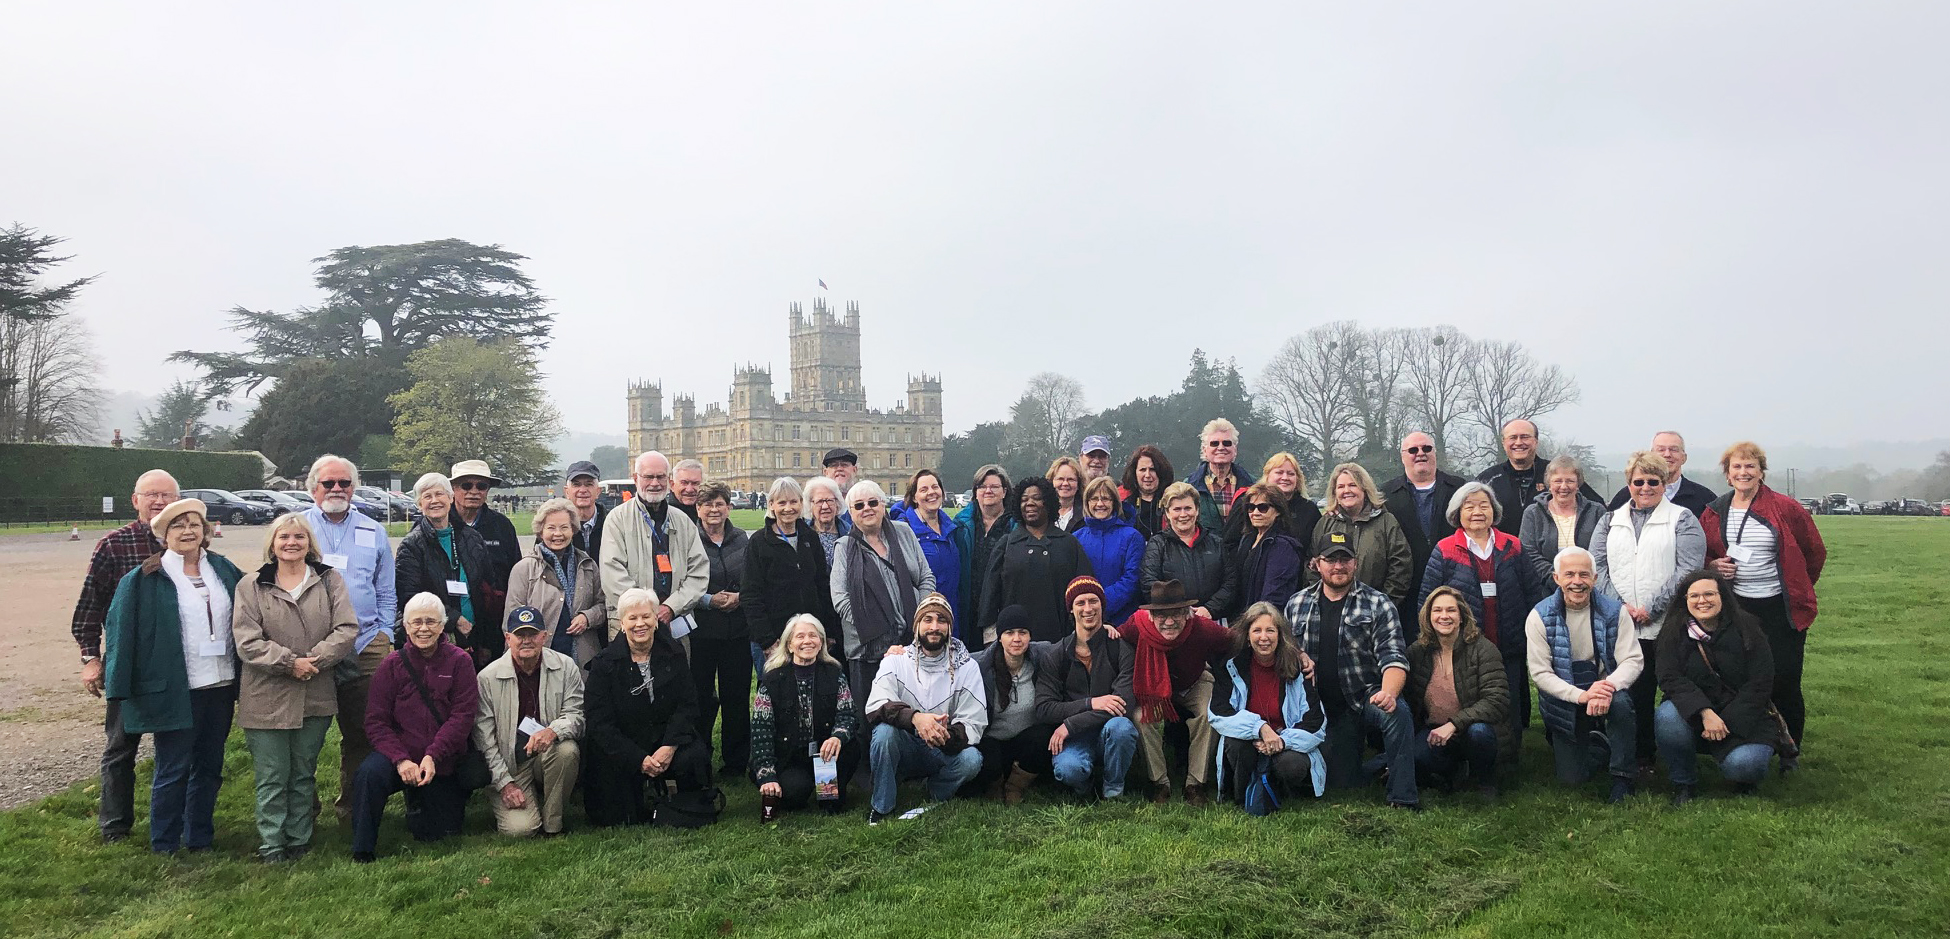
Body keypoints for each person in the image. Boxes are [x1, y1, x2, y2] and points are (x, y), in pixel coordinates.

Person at [103, 498, 246, 854]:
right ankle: (165, 841)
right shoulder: (142, 578)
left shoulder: (224, 570)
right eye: (178, 525)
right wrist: (119, 689)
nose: (187, 531)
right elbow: (121, 636)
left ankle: (199, 836)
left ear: (206, 531)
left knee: (210, 766)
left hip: (221, 683)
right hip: (176, 688)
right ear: (163, 534)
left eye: (194, 524)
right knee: (173, 767)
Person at [232, 513, 358, 861]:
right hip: (266, 695)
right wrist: (290, 663)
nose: (291, 543)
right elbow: (247, 641)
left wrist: (314, 661)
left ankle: (299, 839)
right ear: (272, 544)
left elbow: (346, 628)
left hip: (315, 692)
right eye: (284, 537)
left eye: (299, 537)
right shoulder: (251, 586)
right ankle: (272, 843)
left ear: (309, 543)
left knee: (303, 773)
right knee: (272, 776)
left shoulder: (330, 580)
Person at [70, 468, 177, 843]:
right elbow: (87, 611)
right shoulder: (113, 546)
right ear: (136, 501)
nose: (159, 502)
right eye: (151, 495)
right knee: (120, 748)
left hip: (176, 667)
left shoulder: (190, 547)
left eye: (166, 495)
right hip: (126, 665)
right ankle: (114, 825)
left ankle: (169, 824)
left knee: (174, 750)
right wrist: (91, 659)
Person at [1700, 441, 1825, 757]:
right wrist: (1713, 567)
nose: (1743, 472)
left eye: (1750, 466)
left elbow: (1814, 552)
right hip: (1738, 608)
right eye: (1737, 467)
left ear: (1761, 472)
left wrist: (1798, 585)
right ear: (1728, 475)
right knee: (1743, 679)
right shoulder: (1715, 511)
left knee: (1784, 680)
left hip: (1780, 609)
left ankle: (1790, 749)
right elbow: (1704, 554)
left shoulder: (1785, 508)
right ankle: (1751, 741)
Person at [1283, 540, 1418, 809]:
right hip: (1317, 706)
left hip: (1363, 698)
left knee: (1397, 713)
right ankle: (1384, 762)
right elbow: (1285, 652)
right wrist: (1298, 656)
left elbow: (1393, 656)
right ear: (1317, 564)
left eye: (1345, 560)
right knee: (1343, 781)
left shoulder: (1378, 603)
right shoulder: (1296, 603)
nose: (1338, 566)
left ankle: (1403, 797)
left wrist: (1389, 693)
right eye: (1331, 560)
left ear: (1355, 563)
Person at [298, 455, 397, 822]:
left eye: (344, 483)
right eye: (329, 484)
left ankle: (354, 810)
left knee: (362, 733)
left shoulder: (374, 530)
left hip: (366, 645)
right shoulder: (297, 530)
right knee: (305, 736)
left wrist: (385, 632)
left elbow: (386, 589)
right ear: (313, 488)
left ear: (353, 488)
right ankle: (301, 813)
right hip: (313, 648)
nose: (337, 489)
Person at [1594, 450, 1706, 773]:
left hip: (1668, 626)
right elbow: (1597, 567)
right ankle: (1639, 757)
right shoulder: (1608, 521)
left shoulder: (1683, 519)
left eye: (1653, 481)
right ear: (1628, 483)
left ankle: (1680, 759)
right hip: (1623, 626)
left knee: (1673, 695)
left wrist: (1652, 608)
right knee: (1633, 697)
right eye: (1637, 481)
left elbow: (1688, 569)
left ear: (1666, 481)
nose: (1645, 487)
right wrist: (1622, 608)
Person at [350, 592, 481, 861]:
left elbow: (462, 717)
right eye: (416, 622)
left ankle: (419, 799)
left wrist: (433, 755)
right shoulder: (391, 665)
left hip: (441, 758)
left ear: (443, 625)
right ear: (406, 626)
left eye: (431, 621)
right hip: (400, 754)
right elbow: (375, 721)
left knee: (440, 832)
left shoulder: (460, 662)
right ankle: (362, 848)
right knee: (368, 774)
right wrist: (400, 761)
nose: (424, 628)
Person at [1415, 481, 1537, 747]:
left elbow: (1532, 592)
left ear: (1494, 510)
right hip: (1465, 646)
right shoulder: (1445, 549)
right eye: (1469, 506)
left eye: (1484, 505)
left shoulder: (1513, 546)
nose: (1477, 511)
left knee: (1510, 699)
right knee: (1472, 701)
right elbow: (1427, 599)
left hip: (1510, 640)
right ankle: (1468, 754)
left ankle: (1509, 757)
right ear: (1457, 513)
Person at [583, 588, 711, 826]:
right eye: (632, 618)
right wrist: (639, 759)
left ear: (655, 620)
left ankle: (683, 799)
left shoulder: (674, 652)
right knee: (618, 816)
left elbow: (688, 704)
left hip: (665, 738)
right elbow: (600, 723)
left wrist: (669, 747)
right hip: (625, 744)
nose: (639, 624)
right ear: (622, 623)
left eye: (646, 616)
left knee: (694, 756)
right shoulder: (604, 665)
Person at [1656, 572, 1784, 805]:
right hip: (1695, 713)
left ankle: (1743, 778)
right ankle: (1683, 783)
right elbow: (1669, 677)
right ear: (1685, 599)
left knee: (1746, 766)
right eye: (1694, 595)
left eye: (1709, 594)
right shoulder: (1673, 631)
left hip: (1745, 716)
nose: (1702, 601)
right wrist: (1705, 713)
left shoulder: (1748, 628)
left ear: (1722, 596)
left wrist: (1726, 722)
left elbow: (1761, 682)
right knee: (1666, 716)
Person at [1527, 547, 1642, 803]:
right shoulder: (1538, 616)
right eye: (1569, 574)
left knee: (1622, 705)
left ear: (1595, 578)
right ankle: (1596, 742)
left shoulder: (1615, 612)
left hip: (1606, 691)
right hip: (1566, 696)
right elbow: (1540, 673)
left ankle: (1623, 777)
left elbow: (1633, 659)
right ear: (1556, 578)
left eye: (1583, 574)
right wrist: (1581, 696)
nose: (1577, 582)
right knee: (1572, 779)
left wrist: (1607, 687)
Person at [862, 594, 988, 824]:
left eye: (941, 620)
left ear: (950, 627)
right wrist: (917, 720)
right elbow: (876, 705)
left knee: (972, 759)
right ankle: (882, 806)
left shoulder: (967, 667)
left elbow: (974, 722)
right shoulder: (896, 661)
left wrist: (941, 734)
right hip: (905, 744)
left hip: (942, 747)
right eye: (927, 619)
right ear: (917, 626)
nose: (934, 626)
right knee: (883, 734)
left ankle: (934, 793)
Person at [1118, 580, 1231, 806]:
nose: (1169, 622)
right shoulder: (1137, 625)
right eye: (1161, 615)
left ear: (1187, 613)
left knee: (1208, 714)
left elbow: (1234, 638)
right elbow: (1116, 637)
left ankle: (1195, 783)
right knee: (1141, 718)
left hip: (1194, 681)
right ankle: (1159, 783)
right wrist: (1108, 629)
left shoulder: (1201, 627)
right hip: (1154, 687)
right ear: (1150, 616)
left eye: (1176, 614)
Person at [473, 606, 584, 837]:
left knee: (567, 750)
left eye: (532, 634)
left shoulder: (566, 667)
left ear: (544, 636)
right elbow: (484, 739)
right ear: (507, 638)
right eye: (519, 635)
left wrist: (553, 731)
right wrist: (504, 783)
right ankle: (528, 809)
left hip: (547, 753)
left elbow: (577, 716)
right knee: (521, 829)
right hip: (510, 763)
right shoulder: (486, 678)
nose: (526, 641)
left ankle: (553, 825)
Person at [1208, 602, 1328, 808]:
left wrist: (1280, 741)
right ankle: (1242, 796)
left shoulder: (1298, 668)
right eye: (1257, 630)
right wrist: (1260, 728)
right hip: (1250, 739)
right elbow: (1218, 713)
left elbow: (1316, 722)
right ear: (1247, 635)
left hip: (1286, 739)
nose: (1264, 637)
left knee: (1290, 764)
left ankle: (1280, 793)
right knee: (1236, 745)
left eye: (1270, 630)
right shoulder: (1231, 667)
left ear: (1280, 635)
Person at [1034, 578, 1138, 800]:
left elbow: (1124, 705)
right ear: (1071, 610)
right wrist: (1091, 703)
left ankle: (1113, 789)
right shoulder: (1056, 654)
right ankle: (1085, 786)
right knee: (1068, 769)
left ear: (1102, 606)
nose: (1088, 608)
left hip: (1104, 730)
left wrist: (1070, 724)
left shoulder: (1120, 648)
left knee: (1122, 727)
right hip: (1075, 738)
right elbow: (1043, 708)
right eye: (1080, 603)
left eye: (1094, 601)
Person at [831, 479, 935, 698]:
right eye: (859, 505)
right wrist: (876, 630)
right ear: (850, 512)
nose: (867, 508)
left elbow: (925, 577)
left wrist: (921, 618)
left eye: (872, 502)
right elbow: (840, 599)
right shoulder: (843, 547)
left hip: (912, 643)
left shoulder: (904, 532)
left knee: (912, 710)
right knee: (872, 716)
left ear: (883, 505)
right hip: (866, 650)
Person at [752, 614, 862, 816]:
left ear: (821, 642)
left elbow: (848, 714)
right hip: (789, 757)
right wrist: (767, 775)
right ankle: (804, 786)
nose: (807, 641)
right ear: (789, 645)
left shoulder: (835, 673)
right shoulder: (771, 681)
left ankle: (827, 792)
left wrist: (837, 737)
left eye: (813, 635)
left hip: (824, 755)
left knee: (833, 799)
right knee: (794, 794)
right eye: (800, 636)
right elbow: (761, 733)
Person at [1406, 587, 1510, 799]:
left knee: (1479, 734)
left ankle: (1485, 778)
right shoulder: (1416, 652)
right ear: (1428, 616)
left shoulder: (1483, 649)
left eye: (1451, 610)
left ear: (1462, 616)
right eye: (1437, 611)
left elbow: (1497, 700)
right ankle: (1453, 771)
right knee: (1417, 758)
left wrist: (1454, 724)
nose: (1444, 616)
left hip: (1472, 729)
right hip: (1434, 731)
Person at [600, 451, 709, 644]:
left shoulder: (682, 521)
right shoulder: (617, 519)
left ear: (668, 480)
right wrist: (645, 612)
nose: (655, 483)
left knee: (675, 673)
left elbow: (699, 572)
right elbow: (612, 573)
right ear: (635, 478)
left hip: (674, 622)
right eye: (648, 477)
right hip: (632, 624)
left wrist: (671, 607)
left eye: (660, 477)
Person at [395, 473, 499, 668]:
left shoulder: (472, 538)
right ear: (419, 505)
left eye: (439, 494)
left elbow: (487, 590)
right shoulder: (411, 546)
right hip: (434, 640)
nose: (435, 501)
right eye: (427, 496)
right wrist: (454, 619)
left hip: (474, 637)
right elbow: (409, 597)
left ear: (451, 498)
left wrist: (486, 639)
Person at [980, 476, 1095, 643]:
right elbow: (990, 595)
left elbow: (1084, 591)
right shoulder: (1006, 544)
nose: (1030, 503)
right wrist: (991, 639)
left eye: (1037, 498)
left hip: (1060, 642)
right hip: (1015, 643)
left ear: (1048, 503)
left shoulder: (1068, 544)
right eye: (1024, 499)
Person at [745, 476, 842, 674]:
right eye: (781, 502)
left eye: (793, 502)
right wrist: (767, 641)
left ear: (801, 504)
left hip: (808, 636)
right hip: (774, 636)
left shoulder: (810, 537)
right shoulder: (759, 542)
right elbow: (751, 594)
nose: (788, 508)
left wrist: (828, 631)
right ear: (771, 505)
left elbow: (822, 585)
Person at [964, 606, 1056, 804]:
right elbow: (948, 657)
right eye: (1009, 633)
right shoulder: (979, 664)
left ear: (1030, 636)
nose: (1016, 638)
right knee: (985, 751)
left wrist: (1105, 630)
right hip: (992, 741)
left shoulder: (1041, 655)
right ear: (999, 637)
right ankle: (994, 786)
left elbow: (1071, 645)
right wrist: (900, 652)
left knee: (1044, 735)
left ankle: (1015, 787)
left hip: (1024, 743)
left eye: (1022, 632)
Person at [692, 482, 752, 777]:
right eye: (708, 504)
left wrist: (740, 597)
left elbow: (754, 578)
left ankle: (737, 761)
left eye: (720, 504)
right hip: (701, 631)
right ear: (698, 509)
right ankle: (700, 757)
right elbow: (682, 582)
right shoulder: (690, 539)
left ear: (729, 507)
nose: (714, 510)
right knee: (701, 698)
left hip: (737, 631)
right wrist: (708, 600)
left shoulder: (742, 539)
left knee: (737, 697)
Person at [507, 498, 606, 672]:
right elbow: (510, 620)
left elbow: (603, 605)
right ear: (540, 531)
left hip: (582, 659)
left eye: (564, 527)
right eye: (551, 528)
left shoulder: (588, 565)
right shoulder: (524, 569)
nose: (558, 534)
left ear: (573, 529)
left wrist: (587, 617)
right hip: (539, 658)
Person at [1381, 432, 1466, 623]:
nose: (1420, 453)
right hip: (1405, 591)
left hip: (1454, 585)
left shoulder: (1459, 489)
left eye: (1426, 448)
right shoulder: (1384, 495)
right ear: (1403, 457)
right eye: (1413, 450)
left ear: (1435, 453)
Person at [1310, 463, 1414, 608]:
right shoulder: (1325, 523)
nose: (1347, 491)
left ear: (1364, 488)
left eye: (1353, 485)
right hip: (1330, 609)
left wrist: (1384, 605)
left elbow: (1401, 567)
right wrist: (1322, 602)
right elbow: (1312, 566)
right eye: (1341, 487)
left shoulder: (1385, 521)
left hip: (1375, 611)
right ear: (1334, 492)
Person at [1477, 419, 1602, 537]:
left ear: (1536, 441)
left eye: (1525, 437)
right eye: (1513, 437)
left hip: (1548, 555)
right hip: (1502, 556)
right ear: (1504, 443)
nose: (1519, 442)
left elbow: (1595, 507)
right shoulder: (1488, 479)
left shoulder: (1557, 474)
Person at [1140, 481, 1238, 621]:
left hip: (1212, 619)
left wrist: (1210, 608)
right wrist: (1181, 609)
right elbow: (1149, 583)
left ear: (1197, 510)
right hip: (1173, 620)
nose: (1183, 514)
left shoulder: (1217, 543)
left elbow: (1230, 582)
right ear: (1167, 513)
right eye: (1177, 509)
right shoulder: (1158, 544)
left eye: (1188, 508)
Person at [1518, 455, 1607, 588]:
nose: (1564, 486)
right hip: (1546, 589)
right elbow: (1529, 552)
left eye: (1570, 481)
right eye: (1558, 481)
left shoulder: (1596, 512)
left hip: (1589, 587)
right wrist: (1558, 579)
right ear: (1549, 484)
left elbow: (1603, 552)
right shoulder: (1533, 513)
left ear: (1578, 484)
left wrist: (1581, 579)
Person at [1073, 476, 1146, 626]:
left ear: (1114, 503)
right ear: (1087, 503)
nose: (1100, 504)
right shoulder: (1076, 538)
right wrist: (1087, 608)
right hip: (1085, 621)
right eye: (1094, 499)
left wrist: (1100, 605)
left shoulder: (1132, 537)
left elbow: (1131, 579)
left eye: (1105, 499)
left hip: (1123, 622)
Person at [895, 468, 964, 624]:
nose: (931, 492)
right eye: (923, 489)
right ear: (914, 497)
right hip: (924, 619)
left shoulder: (951, 527)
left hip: (952, 612)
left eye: (935, 487)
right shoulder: (905, 531)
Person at [955, 464, 1015, 640]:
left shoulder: (1016, 526)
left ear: (1004, 491)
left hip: (1002, 608)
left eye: (994, 486)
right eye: (982, 486)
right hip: (969, 607)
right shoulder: (960, 525)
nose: (988, 491)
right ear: (975, 492)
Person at [1223, 451, 1321, 557]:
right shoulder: (1247, 503)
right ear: (1267, 476)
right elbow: (1229, 543)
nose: (1285, 478)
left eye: (1291, 474)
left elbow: (1316, 546)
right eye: (1279, 472)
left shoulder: (1309, 510)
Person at [1605, 432, 1717, 517]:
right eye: (1661, 450)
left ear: (1684, 458)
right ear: (1651, 455)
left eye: (1674, 449)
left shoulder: (1705, 499)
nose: (1667, 454)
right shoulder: (1626, 496)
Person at [1232, 482, 1305, 612]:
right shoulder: (1247, 539)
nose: (1255, 512)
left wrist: (1256, 623)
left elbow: (1274, 596)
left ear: (1277, 511)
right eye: (1250, 507)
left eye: (1263, 507)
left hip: (1265, 621)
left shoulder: (1284, 546)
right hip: (1243, 618)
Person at [449, 460, 521, 588]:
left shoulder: (502, 525)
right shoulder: (438, 524)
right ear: (453, 488)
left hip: (494, 604)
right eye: (466, 486)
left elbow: (516, 571)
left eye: (481, 486)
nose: (474, 491)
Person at [1186, 418, 1253, 531]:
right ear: (1204, 450)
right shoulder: (1189, 486)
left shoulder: (1253, 485)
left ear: (1235, 449)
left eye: (1226, 443)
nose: (1221, 448)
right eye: (1214, 443)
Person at [1118, 445, 1175, 540]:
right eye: (1143, 470)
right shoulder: (1120, 499)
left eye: (1152, 470)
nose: (1147, 475)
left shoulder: (1174, 498)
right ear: (1134, 472)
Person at [564, 460, 608, 563]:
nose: (582, 490)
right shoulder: (556, 526)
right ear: (567, 492)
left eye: (588, 484)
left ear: (598, 491)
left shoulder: (612, 524)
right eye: (576, 485)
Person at [804, 475, 849, 566]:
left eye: (829, 500)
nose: (825, 506)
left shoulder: (849, 532)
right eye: (820, 501)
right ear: (810, 505)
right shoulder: (802, 534)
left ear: (837, 503)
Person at [1047, 456, 1088, 533]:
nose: (1065, 483)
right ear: (1051, 482)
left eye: (1071, 479)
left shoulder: (1087, 513)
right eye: (1060, 479)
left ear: (1079, 484)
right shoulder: (1042, 512)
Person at [670, 459, 705, 524]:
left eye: (695, 483)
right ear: (672, 485)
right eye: (684, 483)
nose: (689, 489)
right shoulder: (664, 514)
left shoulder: (709, 514)